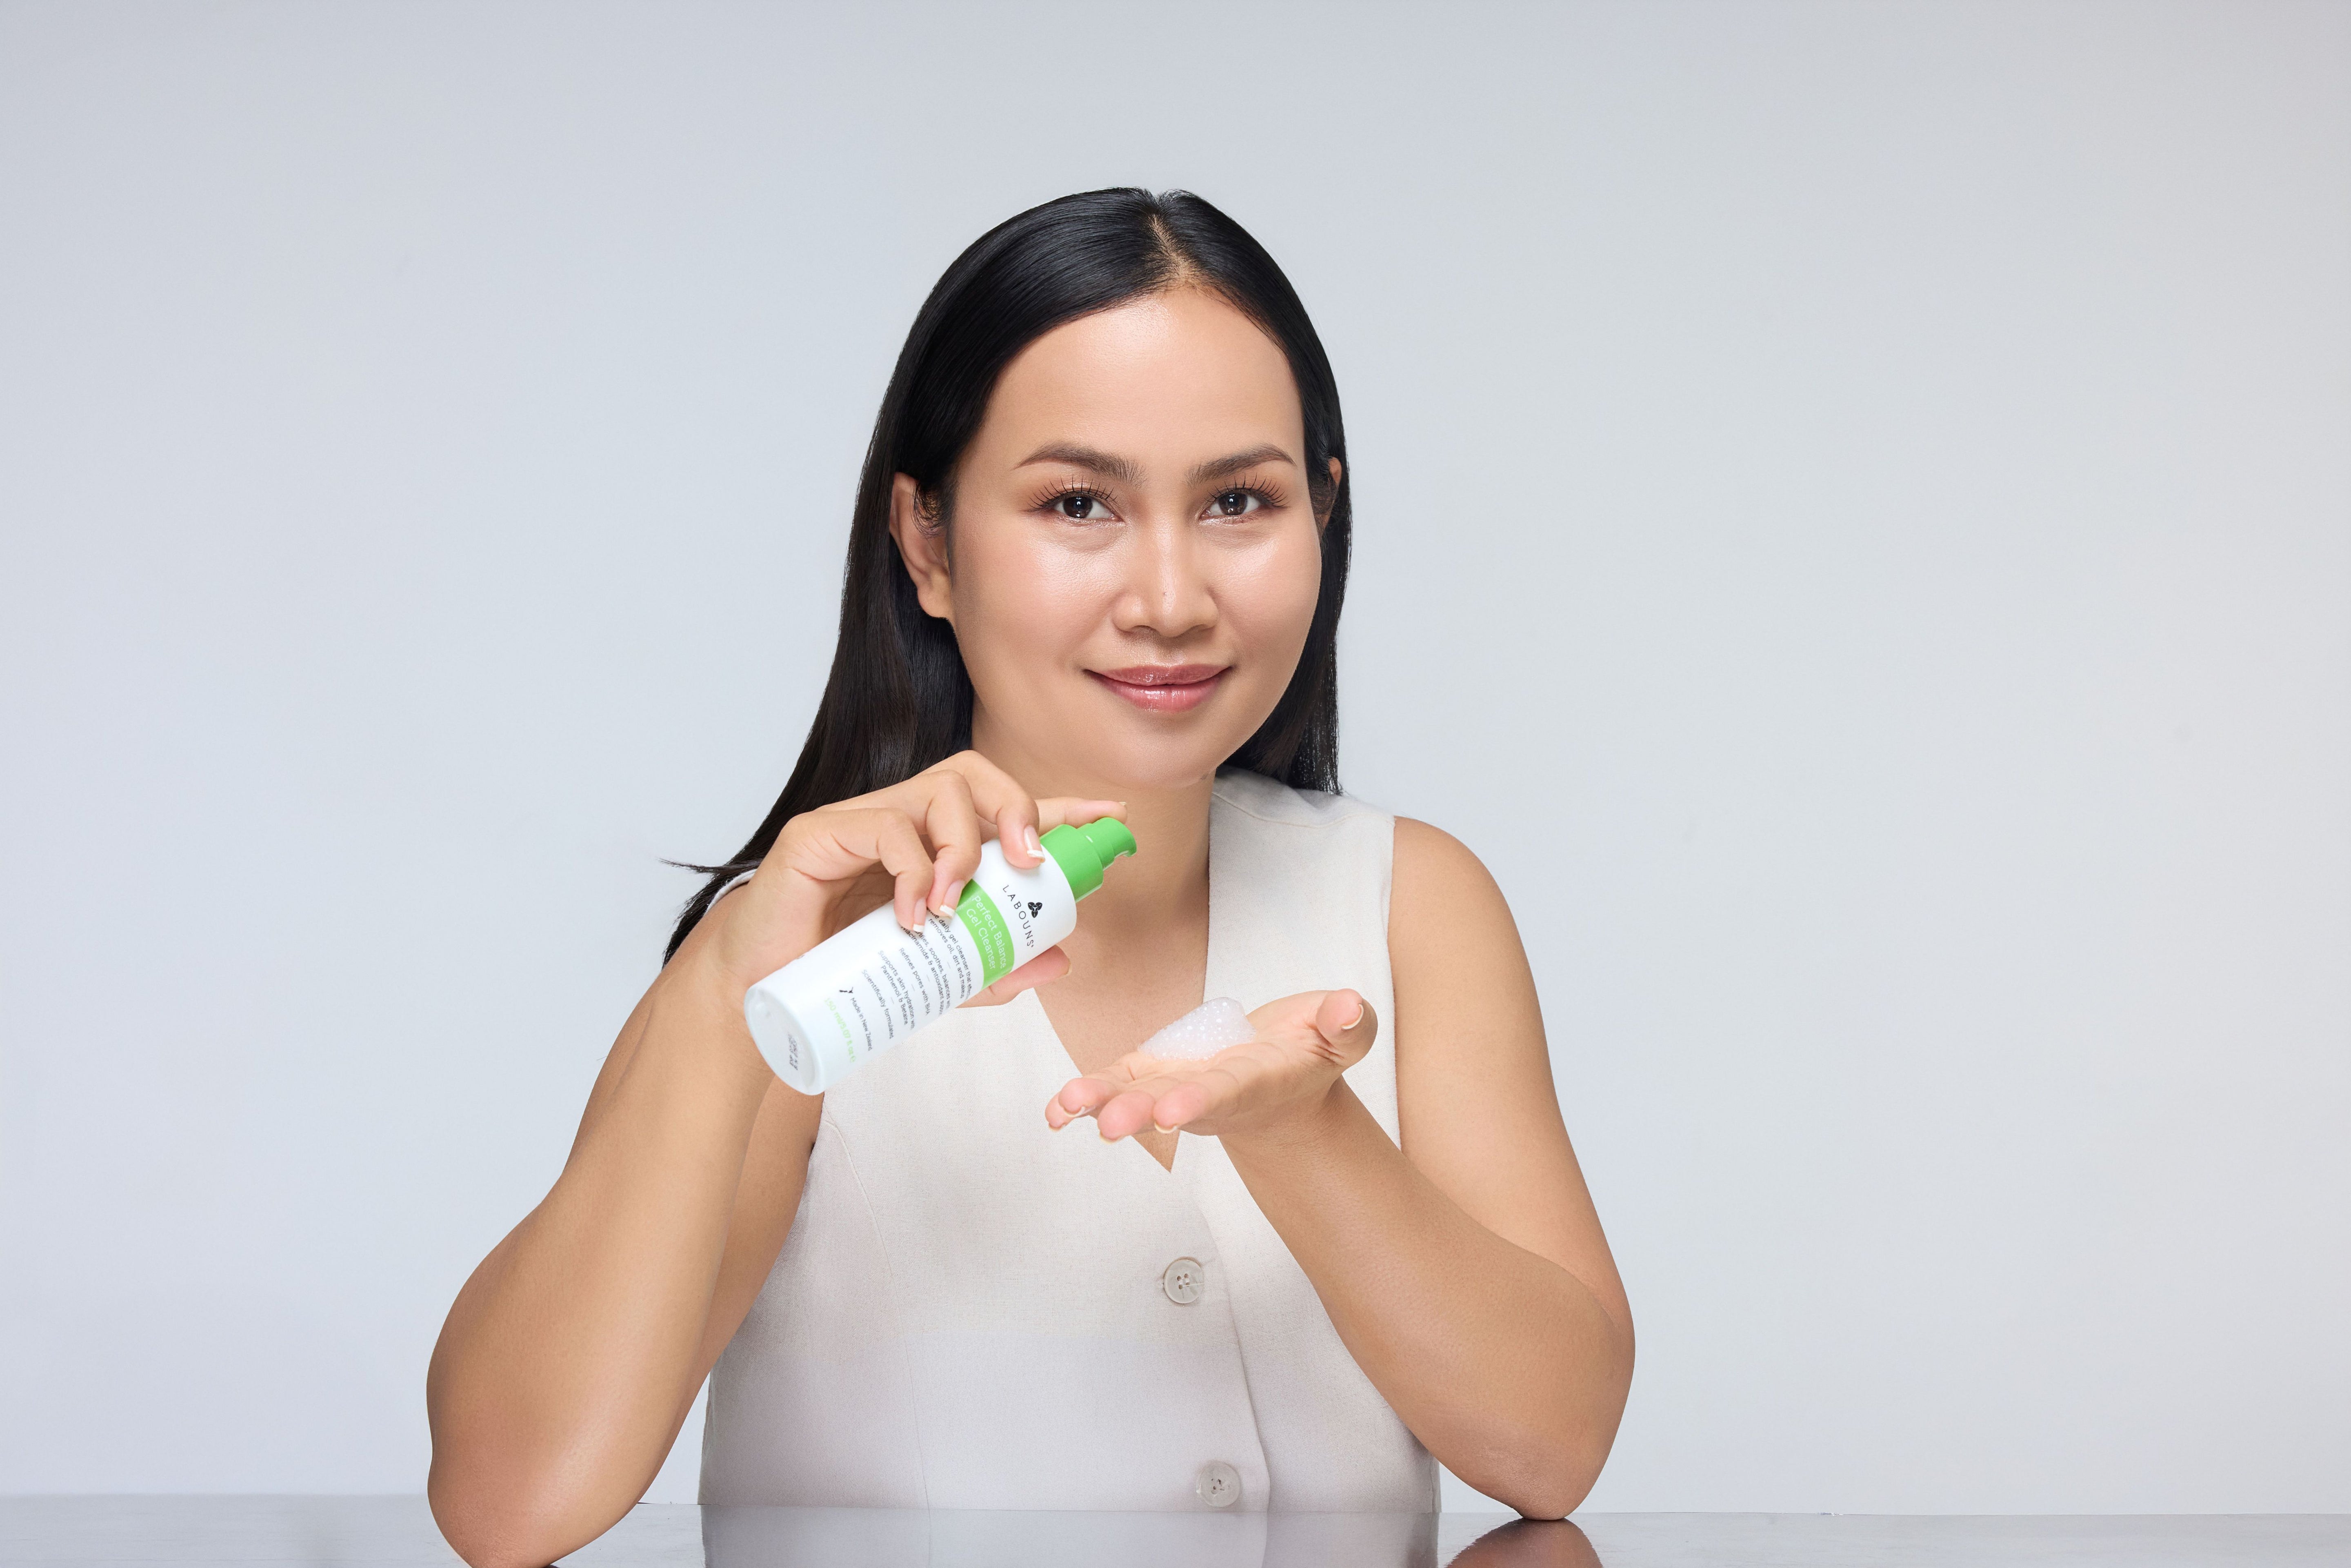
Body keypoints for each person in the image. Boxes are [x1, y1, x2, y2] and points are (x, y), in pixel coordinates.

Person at [424, 188, 1633, 1568]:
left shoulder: (1412, 900)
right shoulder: (806, 951)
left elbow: (1553, 1444)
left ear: (1326, 513)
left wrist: (1311, 1131)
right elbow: (508, 1503)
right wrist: (724, 981)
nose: (1171, 596)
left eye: (1241, 499)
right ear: (929, 543)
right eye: (1078, 504)